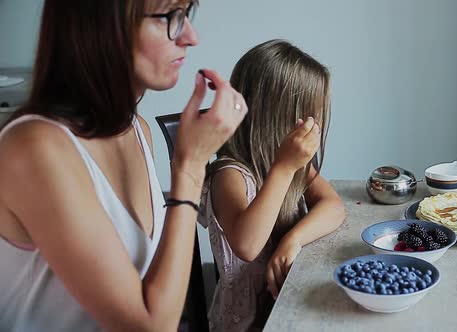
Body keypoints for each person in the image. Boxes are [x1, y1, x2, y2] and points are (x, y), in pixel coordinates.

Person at [0, 1, 247, 331]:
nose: (191, 36)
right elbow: (150, 326)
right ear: (102, 25)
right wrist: (190, 166)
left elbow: (156, 286)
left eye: (186, 14)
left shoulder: (137, 129)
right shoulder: (35, 148)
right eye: (169, 17)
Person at [198, 39, 346, 332]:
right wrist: (284, 167)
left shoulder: (295, 168)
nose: (315, 126)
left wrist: (293, 240)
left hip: (285, 306)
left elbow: (333, 206)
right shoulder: (230, 175)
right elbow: (248, 246)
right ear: (279, 116)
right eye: (310, 113)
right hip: (248, 323)